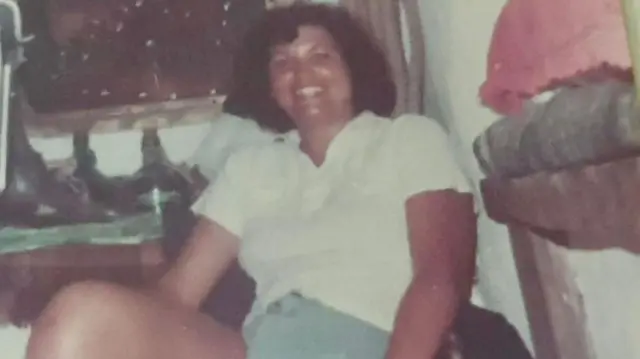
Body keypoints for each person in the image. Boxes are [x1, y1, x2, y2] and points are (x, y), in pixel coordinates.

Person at [25, 4, 477, 359]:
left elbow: (439, 279)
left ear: (355, 69)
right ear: (269, 86)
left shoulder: (408, 139)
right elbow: (178, 295)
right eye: (283, 63)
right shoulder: (252, 167)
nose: (302, 76)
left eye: (321, 57)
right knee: (79, 315)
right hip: (261, 346)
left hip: (369, 341)